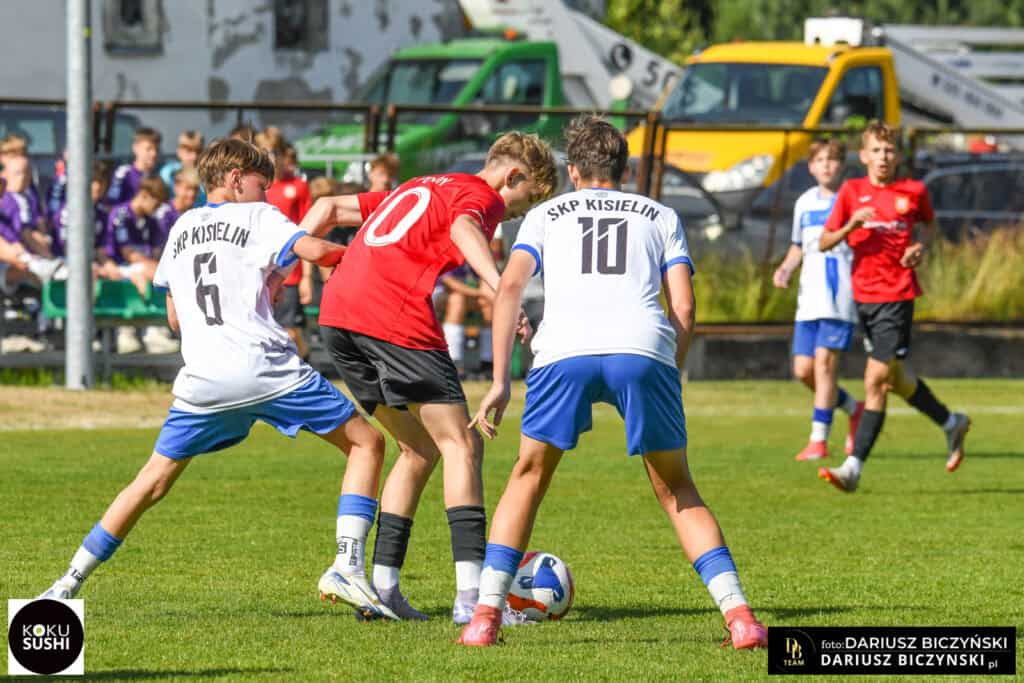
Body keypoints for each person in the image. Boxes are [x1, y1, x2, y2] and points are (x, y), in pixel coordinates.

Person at [38, 138, 398, 620]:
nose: (266, 195)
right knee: (366, 444)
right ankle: (347, 566)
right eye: (261, 184)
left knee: (152, 481)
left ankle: (67, 581)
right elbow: (314, 250)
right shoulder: (259, 216)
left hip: (203, 379)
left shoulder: (181, 226)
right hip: (264, 367)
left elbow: (174, 318)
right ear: (234, 178)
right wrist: (374, 260)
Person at [457, 116, 768, 649]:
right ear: (625, 171)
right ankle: (741, 619)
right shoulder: (661, 214)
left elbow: (509, 287)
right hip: (642, 349)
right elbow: (684, 306)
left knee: (527, 477)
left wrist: (501, 381)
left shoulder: (545, 215)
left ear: (573, 172)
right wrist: (670, 369)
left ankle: (484, 619)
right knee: (678, 488)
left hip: (563, 351)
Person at [305, 131, 557, 622]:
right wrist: (501, 286)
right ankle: (471, 598)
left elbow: (328, 208)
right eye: (522, 202)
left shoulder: (421, 185)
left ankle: (383, 590)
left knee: (417, 449)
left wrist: (285, 268)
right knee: (462, 444)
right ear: (512, 175)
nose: (512, 215)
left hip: (338, 315)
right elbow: (464, 226)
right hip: (391, 313)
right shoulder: (480, 195)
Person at [818, 121, 970, 492]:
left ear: (897, 155)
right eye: (876, 150)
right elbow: (824, 241)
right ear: (864, 155)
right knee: (896, 379)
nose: (883, 157)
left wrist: (920, 247)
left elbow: (929, 227)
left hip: (898, 296)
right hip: (864, 298)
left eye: (889, 150)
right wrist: (851, 226)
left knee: (875, 379)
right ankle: (951, 423)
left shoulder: (913, 191)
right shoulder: (852, 191)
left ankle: (853, 468)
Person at [772, 139, 864, 461]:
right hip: (809, 297)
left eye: (832, 159)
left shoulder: (852, 199)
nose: (826, 165)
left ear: (842, 165)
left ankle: (818, 440)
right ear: (811, 167)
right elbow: (798, 245)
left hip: (839, 296)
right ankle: (853, 408)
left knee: (825, 366)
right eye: (820, 160)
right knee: (803, 370)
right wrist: (785, 268)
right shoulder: (805, 202)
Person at [257, 129, 314, 360]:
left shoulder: (299, 186)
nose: (269, 158)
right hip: (260, 269)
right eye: (263, 153)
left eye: (273, 152)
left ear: (282, 154)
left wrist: (307, 277)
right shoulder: (254, 188)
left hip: (289, 271)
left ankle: (305, 363)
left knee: (290, 332)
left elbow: (307, 232)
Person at [107, 127, 161, 205]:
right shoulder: (124, 174)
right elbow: (112, 205)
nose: (154, 154)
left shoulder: (160, 175)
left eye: (157, 149)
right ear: (135, 148)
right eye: (148, 149)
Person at [159, 130, 206, 207]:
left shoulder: (207, 174)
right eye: (189, 151)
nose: (194, 156)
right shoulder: (168, 172)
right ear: (179, 151)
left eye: (198, 151)